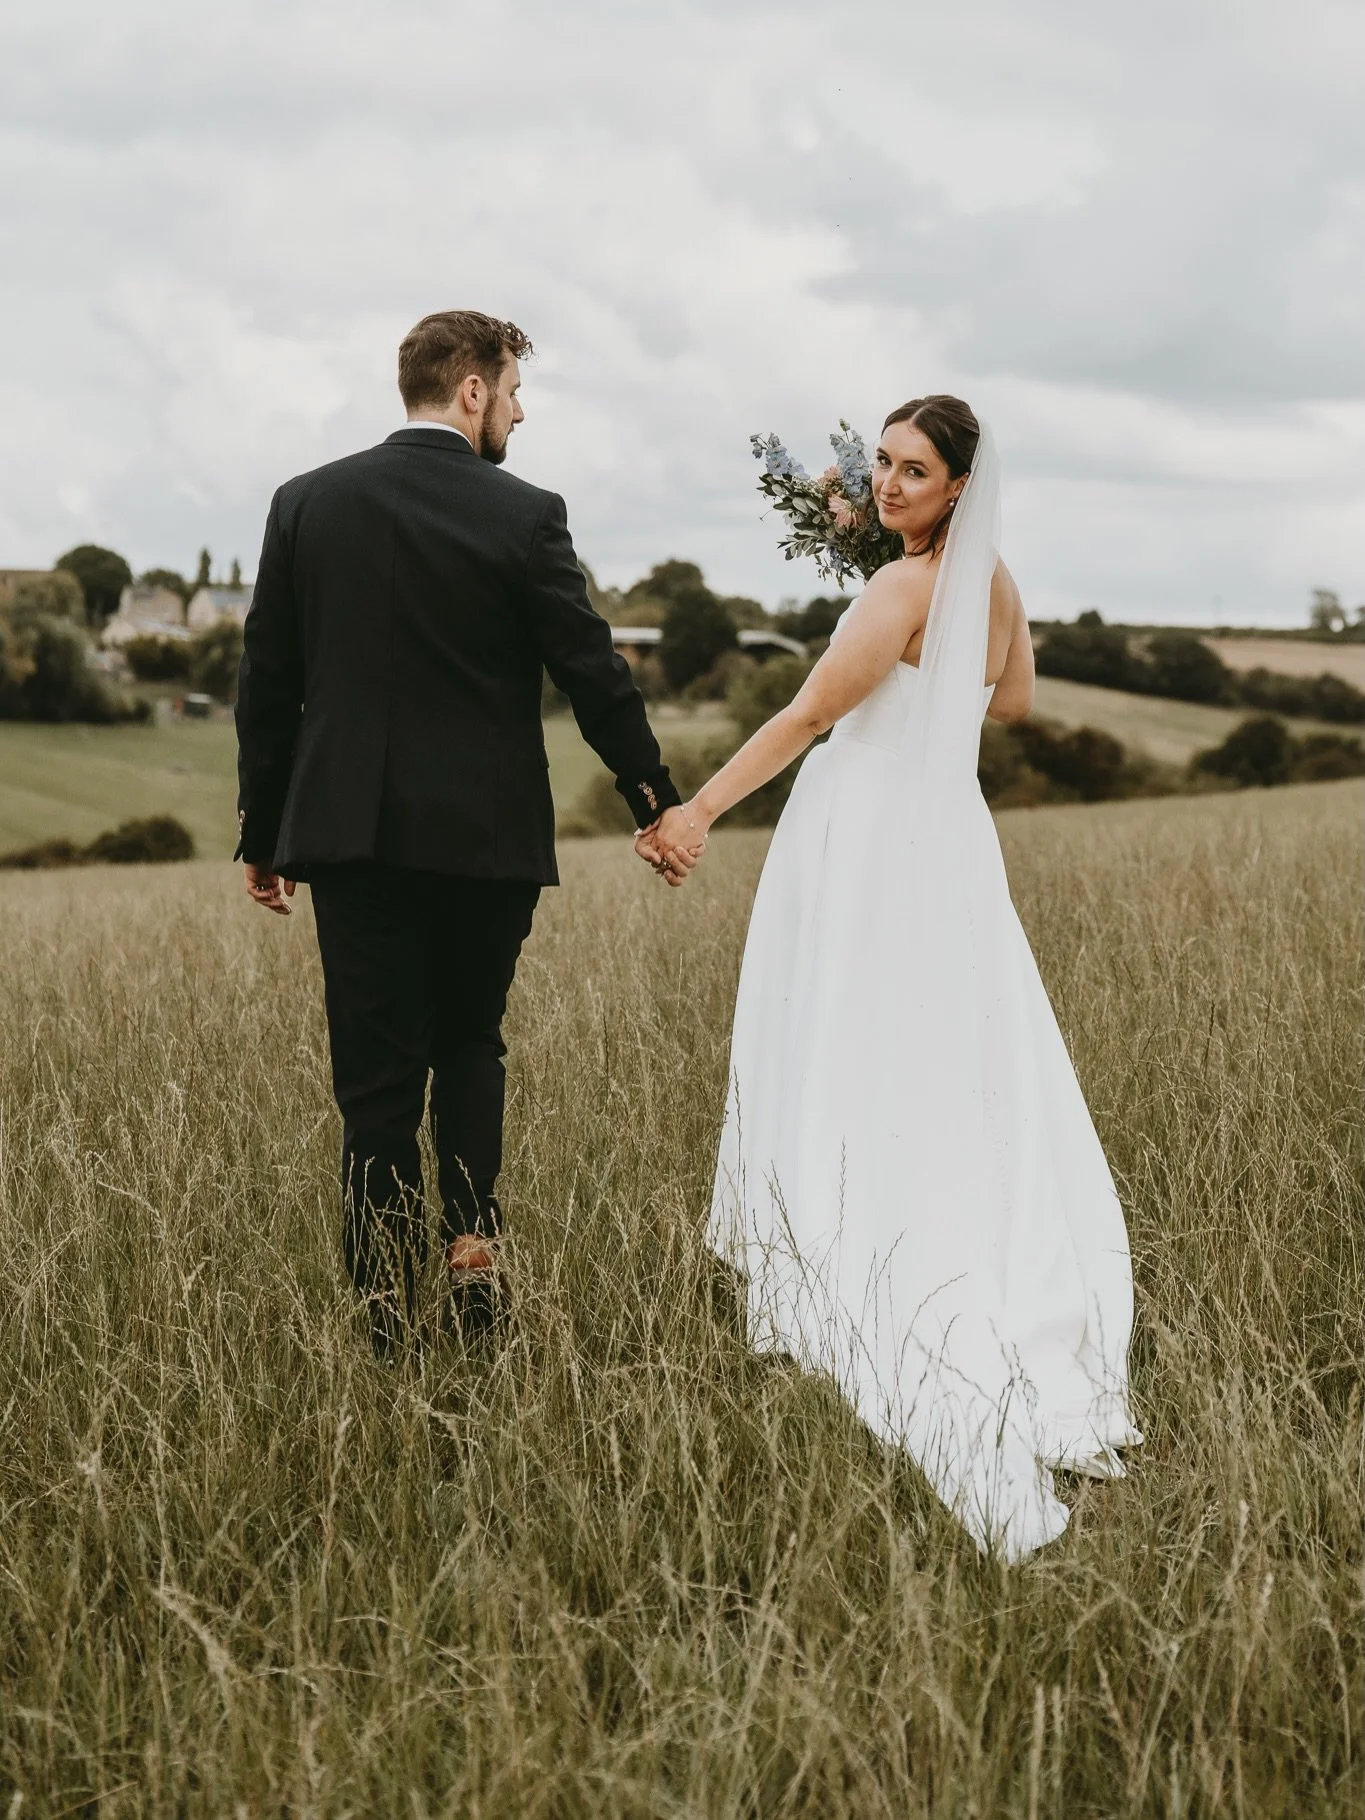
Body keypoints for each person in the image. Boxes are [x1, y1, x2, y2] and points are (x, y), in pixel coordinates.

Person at [643, 397, 1141, 1560]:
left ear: (960, 483)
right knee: (944, 1045)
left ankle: (858, 1253)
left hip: (866, 829)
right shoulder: (989, 583)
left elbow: (808, 712)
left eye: (915, 469)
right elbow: (1011, 699)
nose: (888, 482)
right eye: (881, 461)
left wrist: (697, 810)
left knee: (849, 1033)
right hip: (949, 833)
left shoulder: (901, 588)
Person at [235, 309, 682, 1355]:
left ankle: (384, 1316)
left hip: (350, 837)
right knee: (470, 1042)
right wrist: (654, 797)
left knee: (375, 1082)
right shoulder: (524, 514)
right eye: (514, 391)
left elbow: (268, 680)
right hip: (487, 838)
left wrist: (263, 829)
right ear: (471, 389)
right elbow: (591, 670)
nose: (520, 413)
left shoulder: (305, 502)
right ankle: (473, 1257)